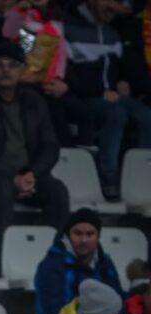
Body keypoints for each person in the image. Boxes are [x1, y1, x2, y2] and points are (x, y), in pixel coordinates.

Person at [0, 42, 69, 276]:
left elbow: (50, 145)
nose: (5, 70)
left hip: (30, 172)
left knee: (57, 191)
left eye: (12, 65)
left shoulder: (34, 100)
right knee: (0, 189)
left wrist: (32, 174)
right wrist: (12, 177)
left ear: (22, 71)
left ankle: (52, 258)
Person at [56, 0, 151, 202]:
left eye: (118, 3)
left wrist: (123, 80)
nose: (113, 7)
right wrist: (100, 91)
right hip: (83, 97)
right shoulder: (68, 30)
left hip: (113, 95)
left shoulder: (112, 33)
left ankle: (143, 175)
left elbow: (119, 66)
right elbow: (66, 75)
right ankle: (109, 178)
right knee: (115, 113)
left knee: (146, 115)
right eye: (108, 1)